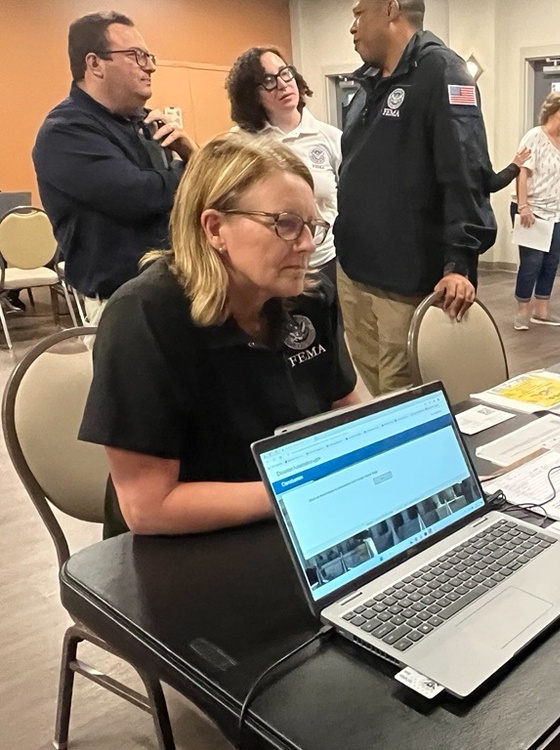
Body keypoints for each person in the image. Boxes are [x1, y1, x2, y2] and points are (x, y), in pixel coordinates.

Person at [79, 132, 360, 537]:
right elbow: (147, 508)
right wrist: (299, 494)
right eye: (286, 224)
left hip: (287, 517)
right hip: (179, 546)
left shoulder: (309, 296)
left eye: (311, 226)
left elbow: (345, 406)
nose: (305, 245)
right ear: (214, 228)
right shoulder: (143, 316)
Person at [336, 0, 497, 397]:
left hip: (403, 281)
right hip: (355, 271)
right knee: (367, 392)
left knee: (400, 397)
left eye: (359, 14)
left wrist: (459, 262)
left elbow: (465, 170)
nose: (353, 27)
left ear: (390, 9)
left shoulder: (443, 71)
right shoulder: (369, 84)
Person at [33, 11, 197, 324]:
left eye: (148, 56)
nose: (149, 66)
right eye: (136, 56)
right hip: (124, 303)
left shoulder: (148, 122)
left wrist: (193, 154)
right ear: (94, 64)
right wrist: (193, 170)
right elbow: (137, 196)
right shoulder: (64, 131)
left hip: (180, 288)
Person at [226, 46, 342, 281]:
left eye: (285, 73)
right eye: (267, 81)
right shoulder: (242, 142)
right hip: (270, 268)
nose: (282, 84)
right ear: (252, 94)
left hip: (326, 263)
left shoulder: (330, 137)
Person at [511, 91, 560, 331]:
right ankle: (522, 310)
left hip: (559, 211)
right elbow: (523, 172)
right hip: (534, 209)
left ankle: (542, 310)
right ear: (551, 112)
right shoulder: (534, 137)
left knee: (551, 261)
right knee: (532, 262)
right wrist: (524, 205)